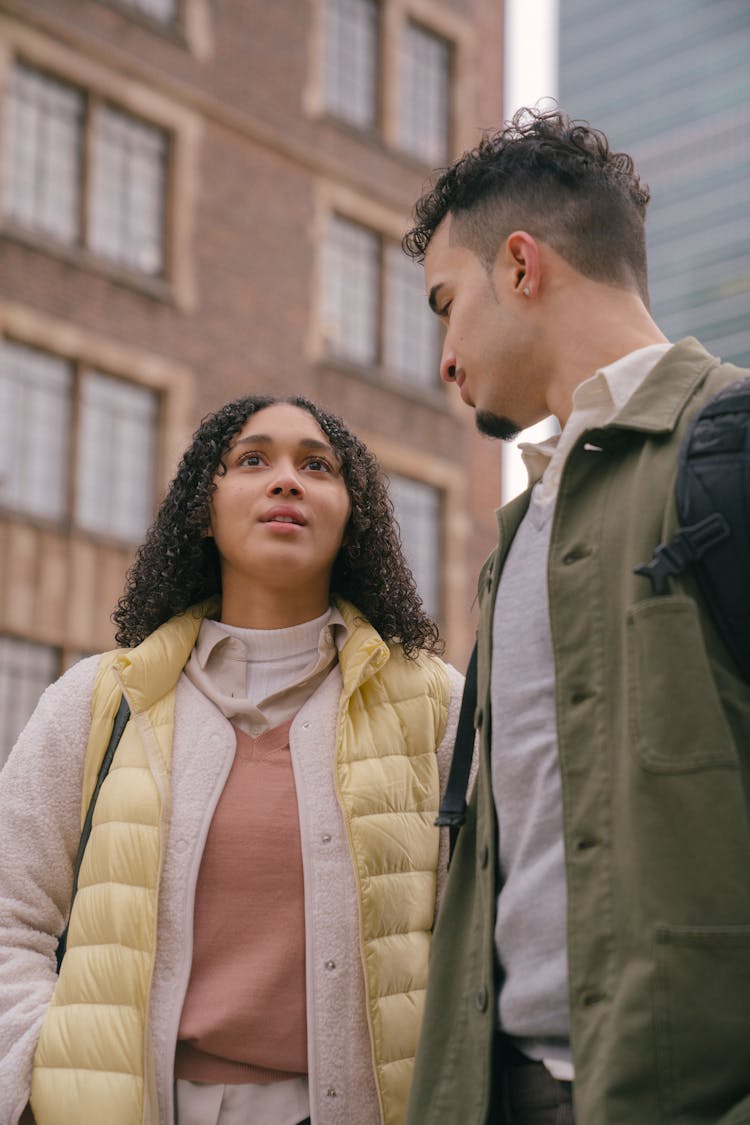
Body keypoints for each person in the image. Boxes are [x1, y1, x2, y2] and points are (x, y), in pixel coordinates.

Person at [400, 107, 750, 1125]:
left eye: (444, 303)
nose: (445, 359)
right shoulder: (519, 535)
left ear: (521, 267)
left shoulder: (732, 452)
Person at [0, 394, 464, 1125]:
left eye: (318, 466)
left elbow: (480, 938)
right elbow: (9, 913)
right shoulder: (99, 701)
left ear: (354, 514)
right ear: (202, 507)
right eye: (253, 460)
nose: (287, 480)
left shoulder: (437, 707)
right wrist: (45, 1081)